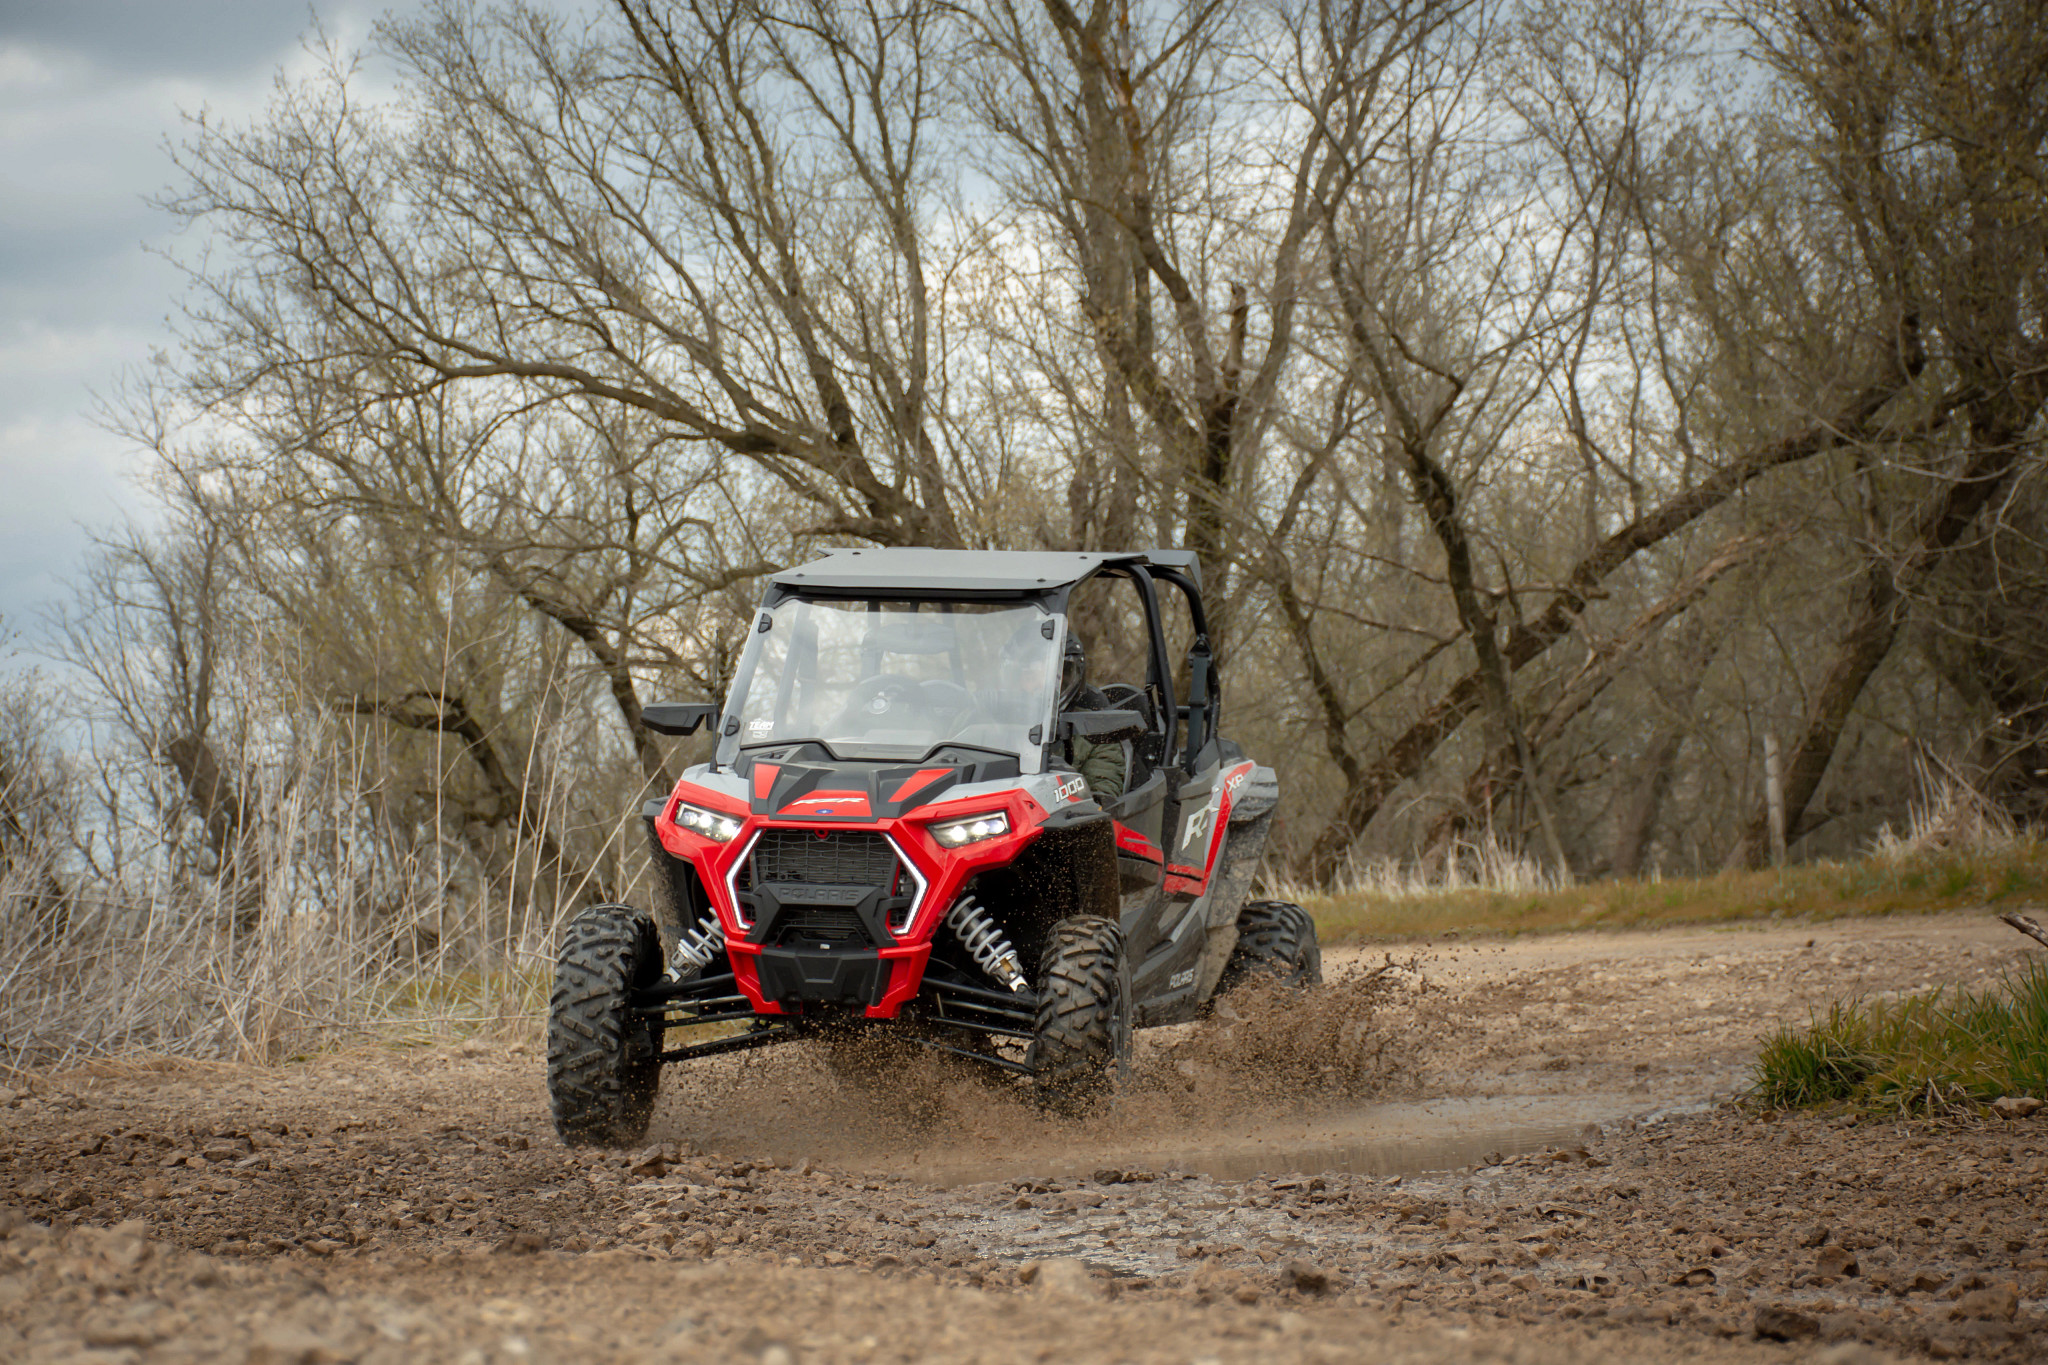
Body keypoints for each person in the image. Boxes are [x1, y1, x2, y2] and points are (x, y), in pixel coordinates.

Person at [1058, 634, 1128, 803]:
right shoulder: (1002, 726)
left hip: (1064, 815)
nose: (1036, 685)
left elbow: (1101, 796)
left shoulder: (1096, 730)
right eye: (1029, 675)